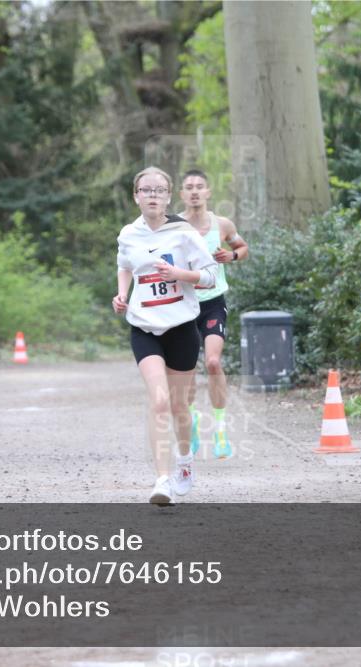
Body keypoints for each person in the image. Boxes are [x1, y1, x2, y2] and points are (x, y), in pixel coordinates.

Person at [113, 167, 218, 505]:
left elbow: (209, 277)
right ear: (136, 196)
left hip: (182, 328)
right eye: (146, 190)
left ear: (168, 196)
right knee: (158, 400)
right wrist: (122, 294)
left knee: (179, 405)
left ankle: (185, 462)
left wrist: (178, 273)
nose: (152, 195)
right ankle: (162, 480)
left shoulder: (184, 232)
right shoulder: (129, 233)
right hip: (144, 327)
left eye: (159, 190)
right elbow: (125, 263)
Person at [178, 169, 249, 459]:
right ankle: (193, 424)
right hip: (183, 304)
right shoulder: (173, 226)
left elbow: (242, 247)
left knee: (213, 362)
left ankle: (220, 429)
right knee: (188, 370)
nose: (194, 192)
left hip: (212, 303)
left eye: (199, 187)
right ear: (182, 194)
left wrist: (231, 256)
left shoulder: (222, 224)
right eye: (189, 187)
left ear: (208, 193)